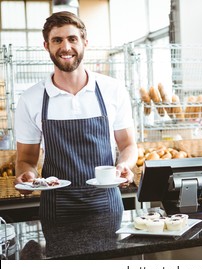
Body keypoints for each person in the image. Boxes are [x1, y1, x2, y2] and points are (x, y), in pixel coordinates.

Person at [14, 11, 138, 221]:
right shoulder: (30, 99)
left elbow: (128, 145)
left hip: (107, 204)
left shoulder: (112, 89)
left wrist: (124, 165)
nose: (66, 47)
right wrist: (29, 177)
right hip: (56, 208)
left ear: (85, 43)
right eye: (57, 40)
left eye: (72, 39)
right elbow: (25, 159)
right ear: (47, 46)